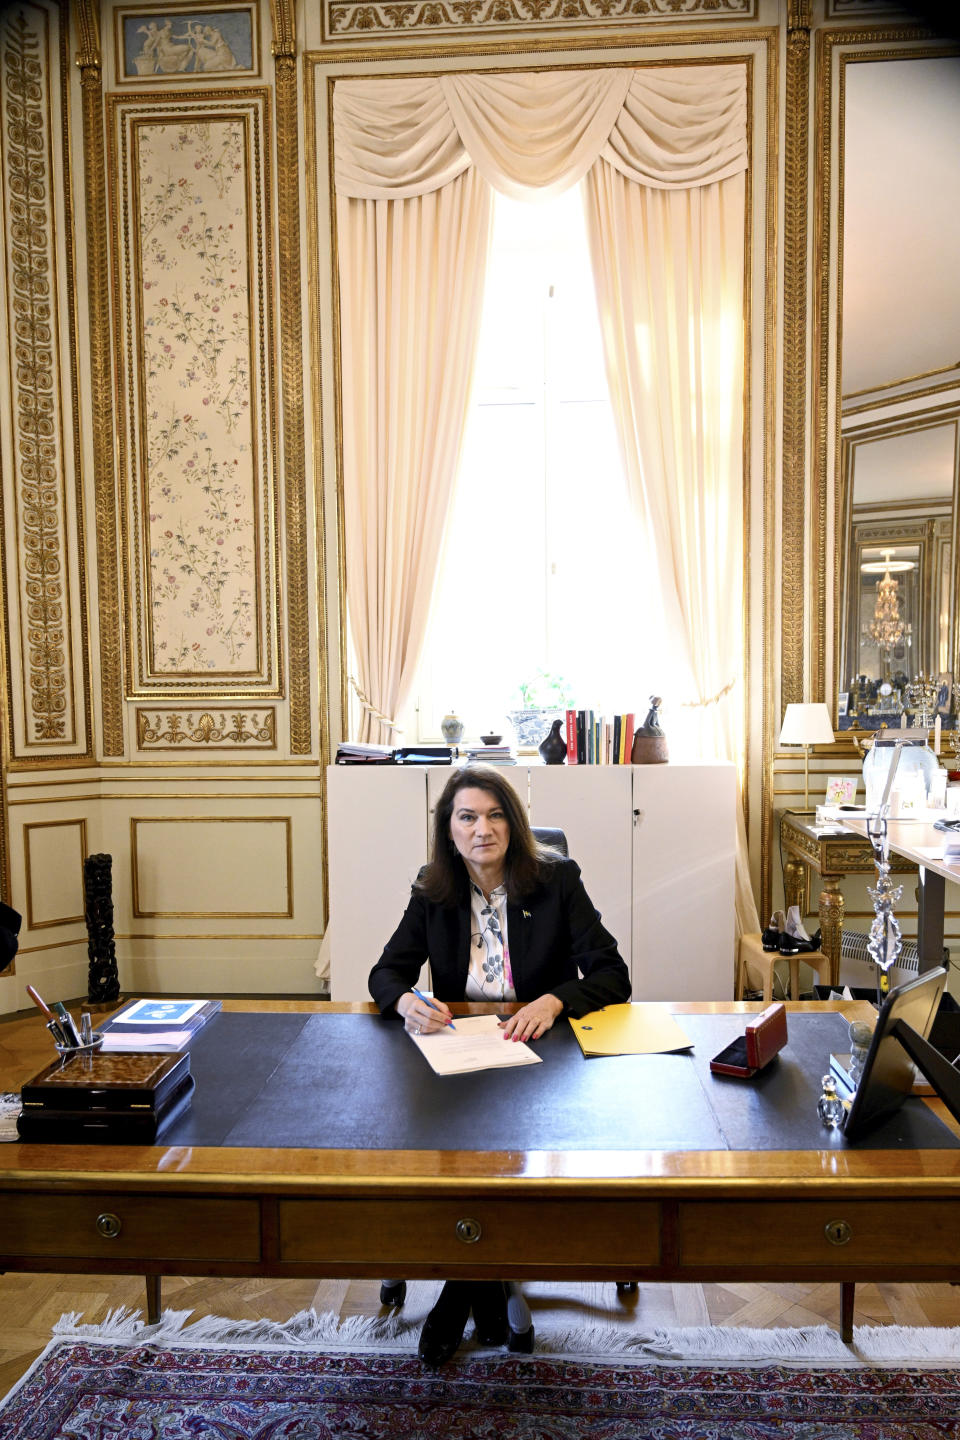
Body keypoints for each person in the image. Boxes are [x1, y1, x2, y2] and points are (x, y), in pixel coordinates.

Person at [368, 763, 630, 1366]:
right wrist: (408, 1002)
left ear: (512, 824)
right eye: (467, 817)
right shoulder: (433, 887)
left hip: (538, 1058)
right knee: (457, 1153)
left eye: (494, 815)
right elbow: (386, 973)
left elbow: (614, 974)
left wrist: (556, 998)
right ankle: (482, 1292)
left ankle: (454, 1303)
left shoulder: (556, 879)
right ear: (450, 830)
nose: (481, 829)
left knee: (498, 1153)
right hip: (459, 1050)